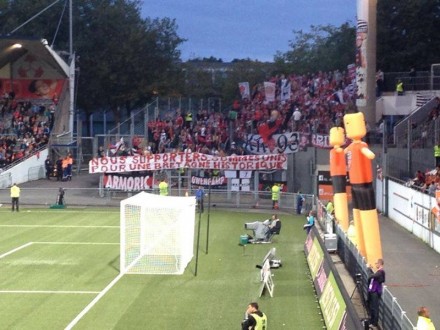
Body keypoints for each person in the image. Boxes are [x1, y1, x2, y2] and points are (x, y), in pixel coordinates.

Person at [367, 258, 385, 329]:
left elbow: (373, 276)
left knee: (375, 308)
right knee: (372, 307)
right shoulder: (378, 272)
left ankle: (374, 323)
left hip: (375, 292)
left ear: (379, 264)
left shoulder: (381, 272)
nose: (375, 264)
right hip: (372, 291)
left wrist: (369, 269)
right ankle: (371, 321)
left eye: (376, 263)